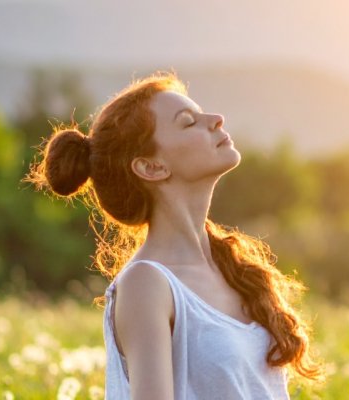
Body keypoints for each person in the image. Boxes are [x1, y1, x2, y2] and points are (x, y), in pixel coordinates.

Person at [27, 71, 323, 399]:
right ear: (151, 167)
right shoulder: (147, 284)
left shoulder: (233, 270)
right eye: (187, 122)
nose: (215, 119)